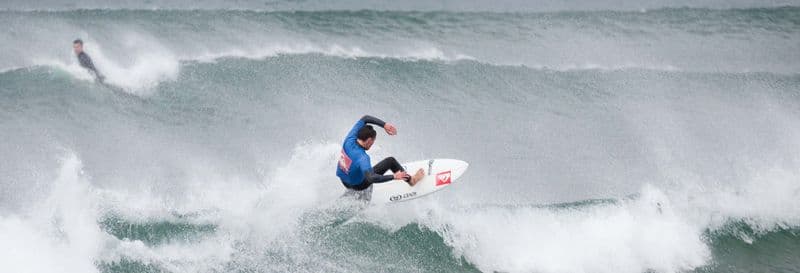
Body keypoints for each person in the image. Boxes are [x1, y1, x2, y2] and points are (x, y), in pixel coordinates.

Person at [336, 115, 425, 191]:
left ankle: (354, 183)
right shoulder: (363, 157)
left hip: (343, 181)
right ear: (369, 141)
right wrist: (394, 176)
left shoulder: (349, 139)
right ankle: (412, 180)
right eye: (373, 142)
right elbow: (371, 178)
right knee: (390, 161)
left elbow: (365, 118)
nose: (372, 144)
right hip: (357, 186)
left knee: (361, 167)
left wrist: (384, 125)